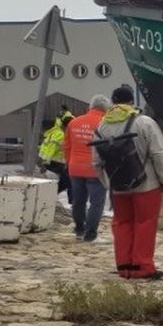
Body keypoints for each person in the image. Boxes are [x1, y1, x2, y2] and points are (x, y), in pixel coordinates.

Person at [91, 85, 163, 280]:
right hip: (147, 184)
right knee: (145, 223)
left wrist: (109, 184)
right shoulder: (144, 122)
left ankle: (124, 266)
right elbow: (159, 154)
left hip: (118, 186)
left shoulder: (102, 126)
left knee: (122, 224)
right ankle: (143, 266)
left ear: (113, 102)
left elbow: (96, 162)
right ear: (131, 102)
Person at [62, 94, 110, 241]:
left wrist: (69, 162)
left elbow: (66, 146)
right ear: (106, 108)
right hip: (95, 169)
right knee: (96, 202)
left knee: (78, 200)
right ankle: (90, 234)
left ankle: (79, 229)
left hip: (75, 167)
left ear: (91, 106)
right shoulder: (105, 124)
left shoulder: (74, 122)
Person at [37, 106, 74, 204]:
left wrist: (43, 161)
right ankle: (72, 203)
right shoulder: (61, 134)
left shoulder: (55, 132)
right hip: (56, 162)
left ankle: (48, 198)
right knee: (70, 183)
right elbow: (51, 149)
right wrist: (45, 162)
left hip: (53, 162)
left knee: (64, 183)